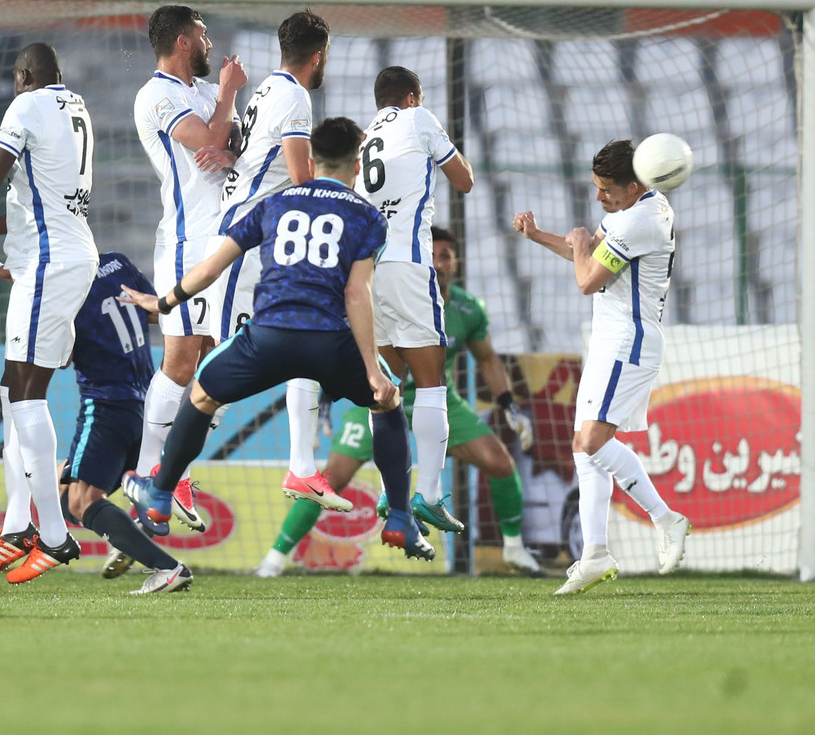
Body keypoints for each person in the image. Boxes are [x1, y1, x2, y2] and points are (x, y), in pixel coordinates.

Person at [119, 117, 435, 561]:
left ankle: (160, 495)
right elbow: (356, 293)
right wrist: (369, 369)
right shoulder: (367, 218)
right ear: (357, 163)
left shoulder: (276, 203)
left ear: (310, 160)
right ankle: (400, 518)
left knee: (202, 392)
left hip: (268, 337)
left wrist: (166, 302)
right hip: (330, 341)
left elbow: (213, 266)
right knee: (388, 400)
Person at [255, 226, 542, 577]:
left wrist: (507, 403)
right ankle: (274, 558)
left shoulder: (468, 309)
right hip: (377, 398)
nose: (437, 263)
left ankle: (514, 550)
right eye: (432, 254)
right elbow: (343, 345)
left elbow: (487, 359)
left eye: (445, 256)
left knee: (499, 462)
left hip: (439, 401)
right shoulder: (386, 295)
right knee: (331, 479)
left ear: (455, 263)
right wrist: (328, 396)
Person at [513, 139, 691, 595]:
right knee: (583, 446)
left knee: (591, 441)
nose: (599, 197)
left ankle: (666, 519)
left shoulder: (640, 221)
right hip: (610, 340)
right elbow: (590, 251)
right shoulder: (639, 208)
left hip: (628, 342)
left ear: (633, 186)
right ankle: (594, 553)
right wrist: (545, 238)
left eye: (606, 190)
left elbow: (588, 280)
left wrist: (577, 244)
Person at [0, 43, 99, 584]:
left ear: (22, 76)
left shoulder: (27, 105)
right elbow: (35, 204)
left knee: (22, 393)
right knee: (17, 391)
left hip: (52, 264)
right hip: (64, 254)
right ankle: (17, 526)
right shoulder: (77, 106)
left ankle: (54, 536)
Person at [203, 9, 340, 509]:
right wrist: (345, 202)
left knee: (304, 338)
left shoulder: (267, 89)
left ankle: (302, 469)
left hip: (268, 241)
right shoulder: (296, 96)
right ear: (318, 56)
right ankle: (156, 466)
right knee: (221, 363)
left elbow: (265, 165)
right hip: (247, 242)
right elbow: (302, 178)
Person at [131, 5, 247, 533]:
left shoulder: (200, 96)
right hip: (188, 240)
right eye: (202, 35)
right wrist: (228, 96)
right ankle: (149, 473)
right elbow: (214, 145)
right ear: (182, 41)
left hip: (226, 240)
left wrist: (221, 120)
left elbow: (229, 151)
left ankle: (173, 473)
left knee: (215, 363)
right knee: (180, 362)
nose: (209, 42)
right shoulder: (159, 95)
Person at [352, 66, 476, 533]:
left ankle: (390, 491)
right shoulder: (419, 117)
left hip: (367, 272)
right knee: (431, 383)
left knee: (387, 388)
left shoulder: (365, 138)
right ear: (410, 97)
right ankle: (426, 493)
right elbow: (464, 180)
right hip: (407, 263)